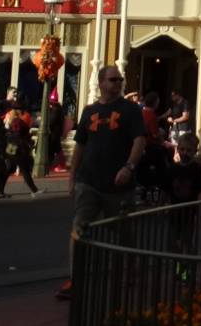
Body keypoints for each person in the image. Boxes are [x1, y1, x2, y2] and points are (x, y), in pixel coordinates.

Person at [60, 68, 149, 295]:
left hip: (118, 185)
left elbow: (140, 139)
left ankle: (129, 269)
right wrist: (72, 177)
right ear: (100, 83)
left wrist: (129, 166)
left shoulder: (130, 110)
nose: (118, 83)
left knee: (123, 232)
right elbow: (80, 144)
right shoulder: (90, 111)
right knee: (79, 228)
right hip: (88, 181)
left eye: (120, 79)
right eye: (113, 79)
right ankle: (75, 278)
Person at [5, 99, 38, 195]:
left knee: (9, 168)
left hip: (11, 146)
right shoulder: (18, 121)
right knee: (24, 169)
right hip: (18, 147)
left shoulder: (11, 119)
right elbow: (20, 133)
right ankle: (34, 190)